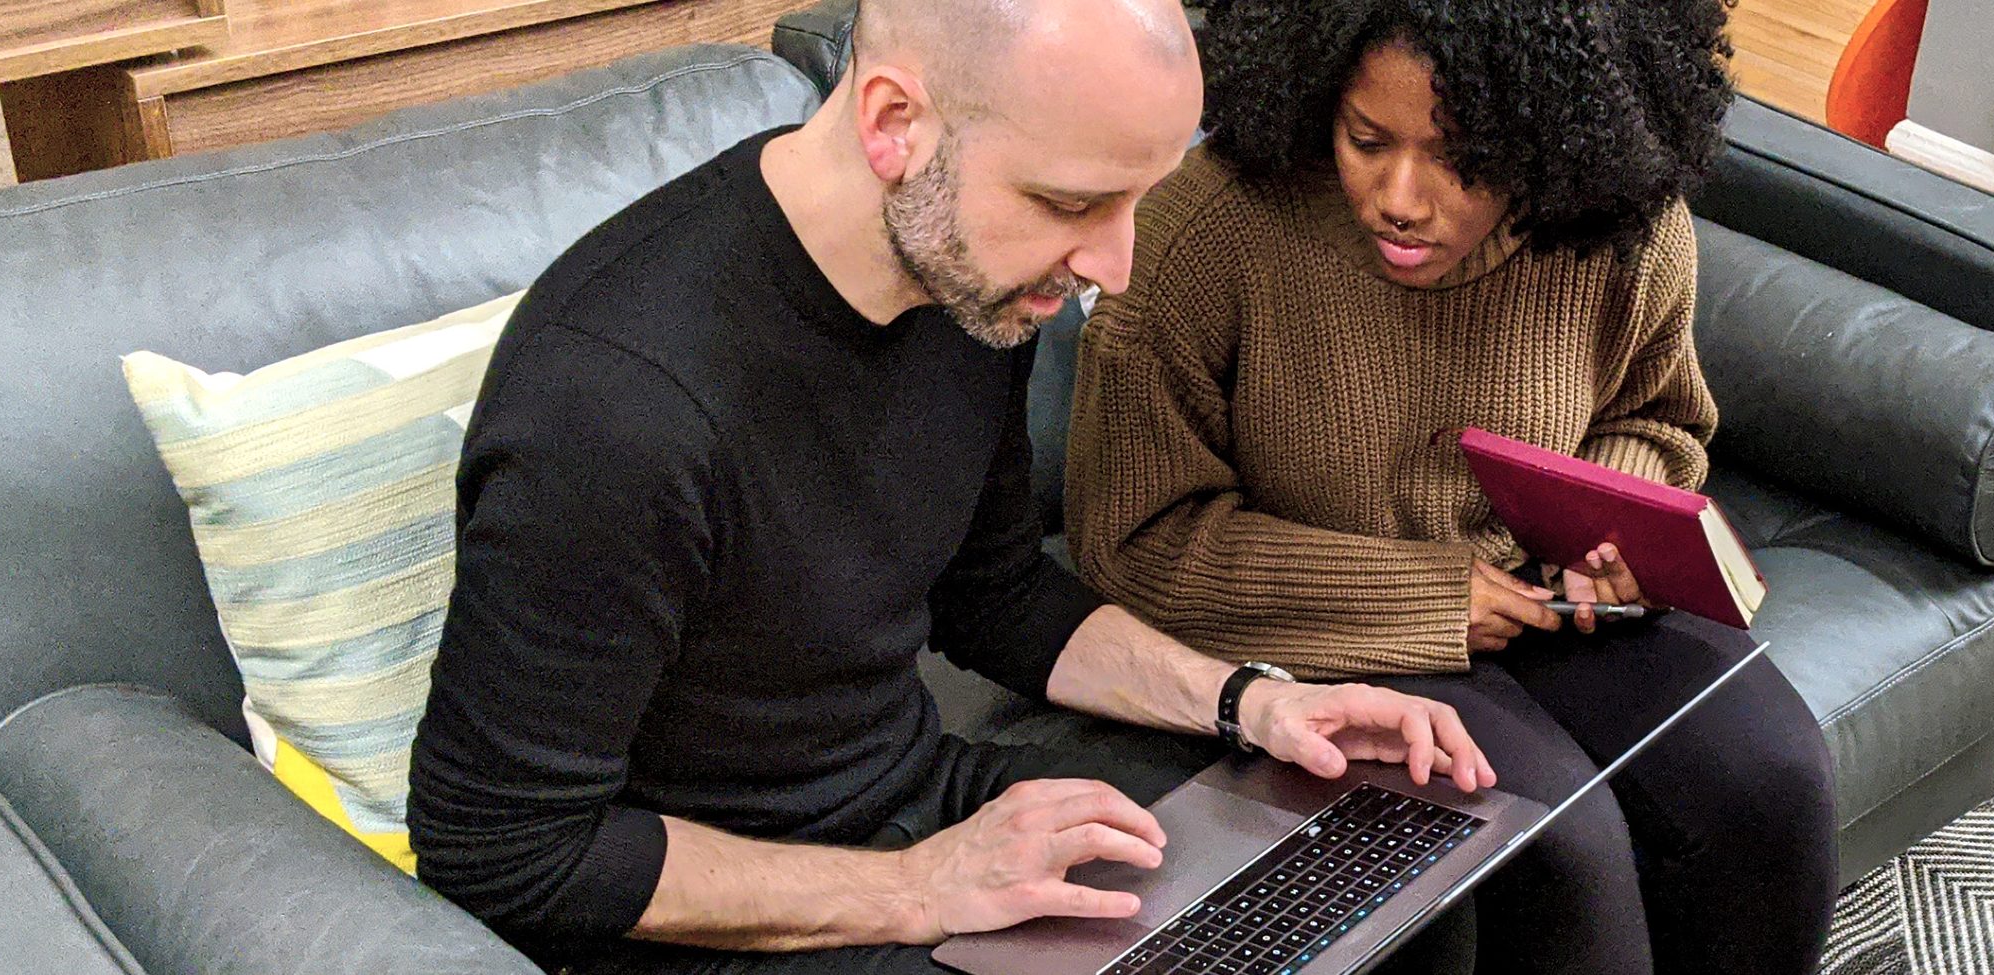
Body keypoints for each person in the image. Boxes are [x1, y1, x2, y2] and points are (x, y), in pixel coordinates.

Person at [406, 2, 1495, 973]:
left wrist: (1253, 701)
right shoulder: (616, 403)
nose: (1110, 269)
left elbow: (997, 595)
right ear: (892, 125)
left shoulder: (971, 285)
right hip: (711, 914)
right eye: (1074, 201)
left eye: (1134, 203)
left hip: (917, 803)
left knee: (1373, 852)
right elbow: (504, 851)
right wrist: (918, 888)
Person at [1064, 1, 1839, 973]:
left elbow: (1654, 419)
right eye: (1364, 139)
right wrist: (1435, 599)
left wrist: (1605, 532)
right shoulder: (1204, 234)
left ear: (1550, 133)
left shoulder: (1617, 223)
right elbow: (1132, 541)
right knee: (1557, 843)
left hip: (1554, 594)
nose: (1399, 196)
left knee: (1772, 778)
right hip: (1323, 621)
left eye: (1461, 157)